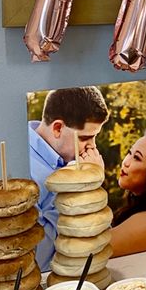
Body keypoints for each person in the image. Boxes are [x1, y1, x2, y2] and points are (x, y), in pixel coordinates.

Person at [28, 86, 109, 270]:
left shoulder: (64, 158)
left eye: (94, 138)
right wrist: (85, 187)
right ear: (57, 128)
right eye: (85, 138)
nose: (92, 148)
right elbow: (38, 258)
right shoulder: (30, 173)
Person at [110, 128, 146, 258]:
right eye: (129, 153)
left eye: (137, 158)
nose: (126, 162)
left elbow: (91, 251)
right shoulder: (143, 209)